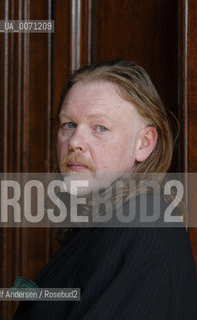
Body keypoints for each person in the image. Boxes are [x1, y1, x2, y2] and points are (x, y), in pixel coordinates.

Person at [13, 59, 197, 319]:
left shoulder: (145, 230)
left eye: (100, 128)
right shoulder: (109, 221)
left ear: (144, 144)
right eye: (69, 124)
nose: (75, 142)